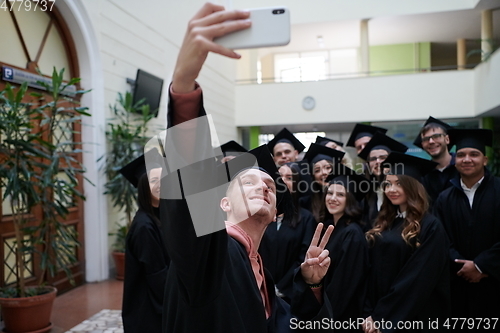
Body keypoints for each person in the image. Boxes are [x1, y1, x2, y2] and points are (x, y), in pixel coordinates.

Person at [160, 4, 334, 332]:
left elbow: (281, 324)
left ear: (276, 210)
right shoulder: (210, 253)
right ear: (222, 204)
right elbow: (186, 192)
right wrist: (184, 88)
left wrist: (311, 284)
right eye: (248, 181)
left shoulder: (256, 262)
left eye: (269, 183)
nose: (264, 185)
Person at [363, 152, 450, 333]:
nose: (391, 189)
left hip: (412, 317)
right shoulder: (385, 222)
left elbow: (417, 279)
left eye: (399, 184)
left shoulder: (430, 226)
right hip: (379, 311)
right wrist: (370, 311)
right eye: (387, 184)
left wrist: (383, 317)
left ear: (413, 187)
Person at [434, 128, 500, 321]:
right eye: (461, 155)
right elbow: (441, 239)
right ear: (455, 161)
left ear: (485, 160)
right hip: (458, 285)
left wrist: (481, 265)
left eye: (474, 154)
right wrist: (462, 267)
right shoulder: (444, 199)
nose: (467, 159)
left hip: (495, 282)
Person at [119, 150, 170, 333]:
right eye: (154, 180)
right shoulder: (144, 227)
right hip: (148, 311)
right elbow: (157, 275)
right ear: (143, 186)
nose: (160, 185)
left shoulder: (160, 217)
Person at [320, 166, 370, 332]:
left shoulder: (352, 234)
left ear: (350, 199)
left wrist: (326, 319)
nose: (332, 198)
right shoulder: (332, 228)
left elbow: (345, 284)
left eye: (340, 194)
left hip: (342, 317)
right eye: (330, 193)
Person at [259, 162, 316, 303]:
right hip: (260, 289)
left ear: (297, 185)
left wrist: (281, 288)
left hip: (290, 295)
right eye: (279, 177)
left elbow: (303, 257)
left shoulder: (306, 218)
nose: (283, 181)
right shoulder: (261, 213)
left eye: (289, 178)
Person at [357, 132, 408, 229]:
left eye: (383, 158)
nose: (378, 162)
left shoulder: (403, 190)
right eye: (373, 159)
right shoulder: (366, 192)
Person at [413, 116, 457, 206]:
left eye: (436, 136)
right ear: (422, 144)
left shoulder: (463, 167)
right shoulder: (423, 175)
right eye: (426, 139)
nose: (431, 141)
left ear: (447, 139)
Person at [300, 143, 345, 224]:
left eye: (328, 168)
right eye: (317, 170)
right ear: (313, 177)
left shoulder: (347, 197)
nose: (324, 173)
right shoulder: (306, 202)